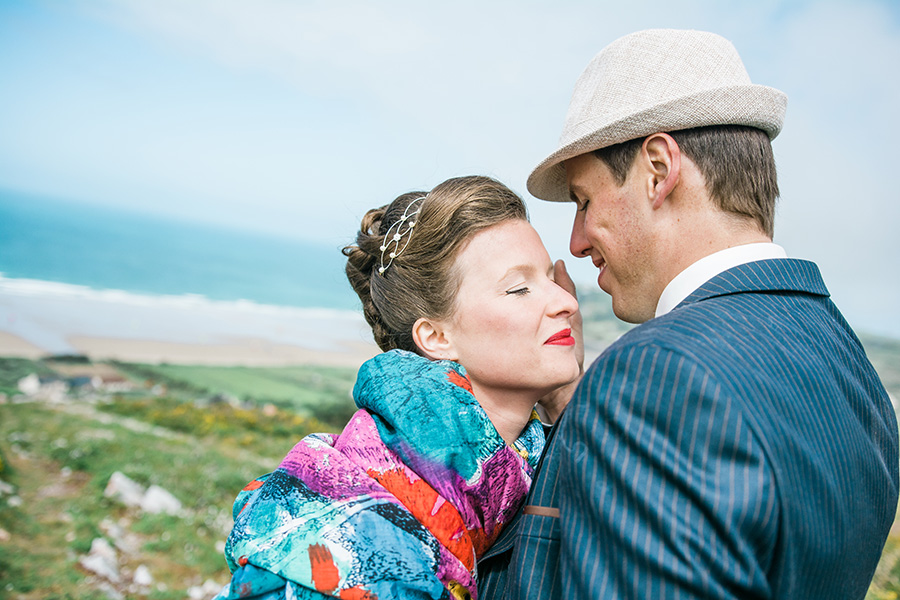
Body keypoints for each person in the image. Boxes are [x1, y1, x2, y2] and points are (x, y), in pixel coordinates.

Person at [477, 29, 899, 600]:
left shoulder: (654, 376)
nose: (575, 241)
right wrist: (572, 408)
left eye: (584, 201)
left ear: (657, 169)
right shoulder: (850, 368)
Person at [213, 176, 583, 600]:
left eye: (552, 280)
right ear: (437, 338)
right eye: (519, 288)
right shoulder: (352, 532)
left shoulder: (517, 474)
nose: (567, 302)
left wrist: (567, 398)